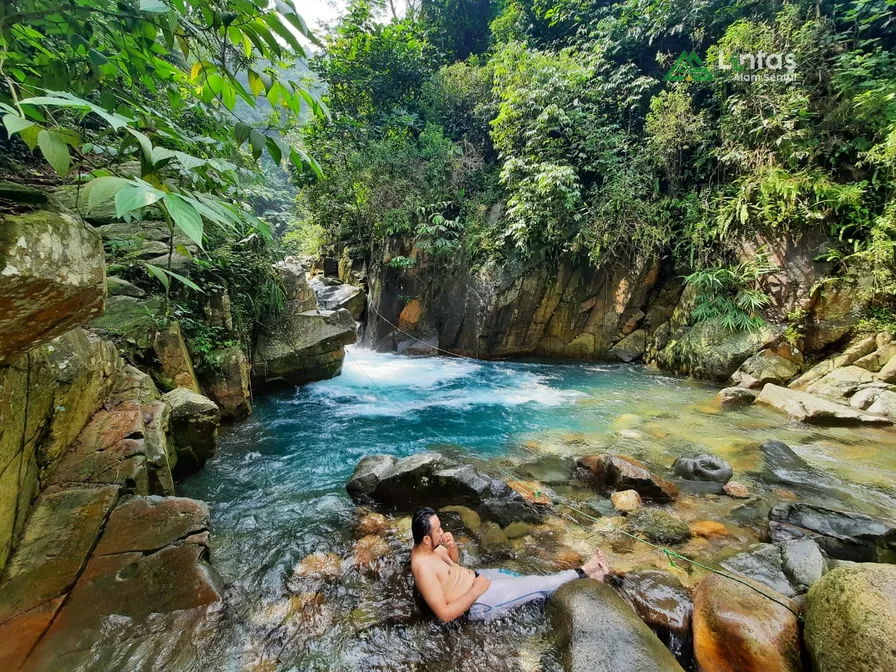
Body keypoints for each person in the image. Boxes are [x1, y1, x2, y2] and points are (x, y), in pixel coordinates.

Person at [409, 506, 610, 623]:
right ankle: (586, 570)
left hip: (478, 579)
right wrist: (474, 591)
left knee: (519, 578)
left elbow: (452, 565)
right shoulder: (423, 569)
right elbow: (444, 615)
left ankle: (585, 578)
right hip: (478, 600)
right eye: (438, 530)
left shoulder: (428, 547)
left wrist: (451, 548)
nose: (442, 531)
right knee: (541, 585)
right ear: (426, 539)